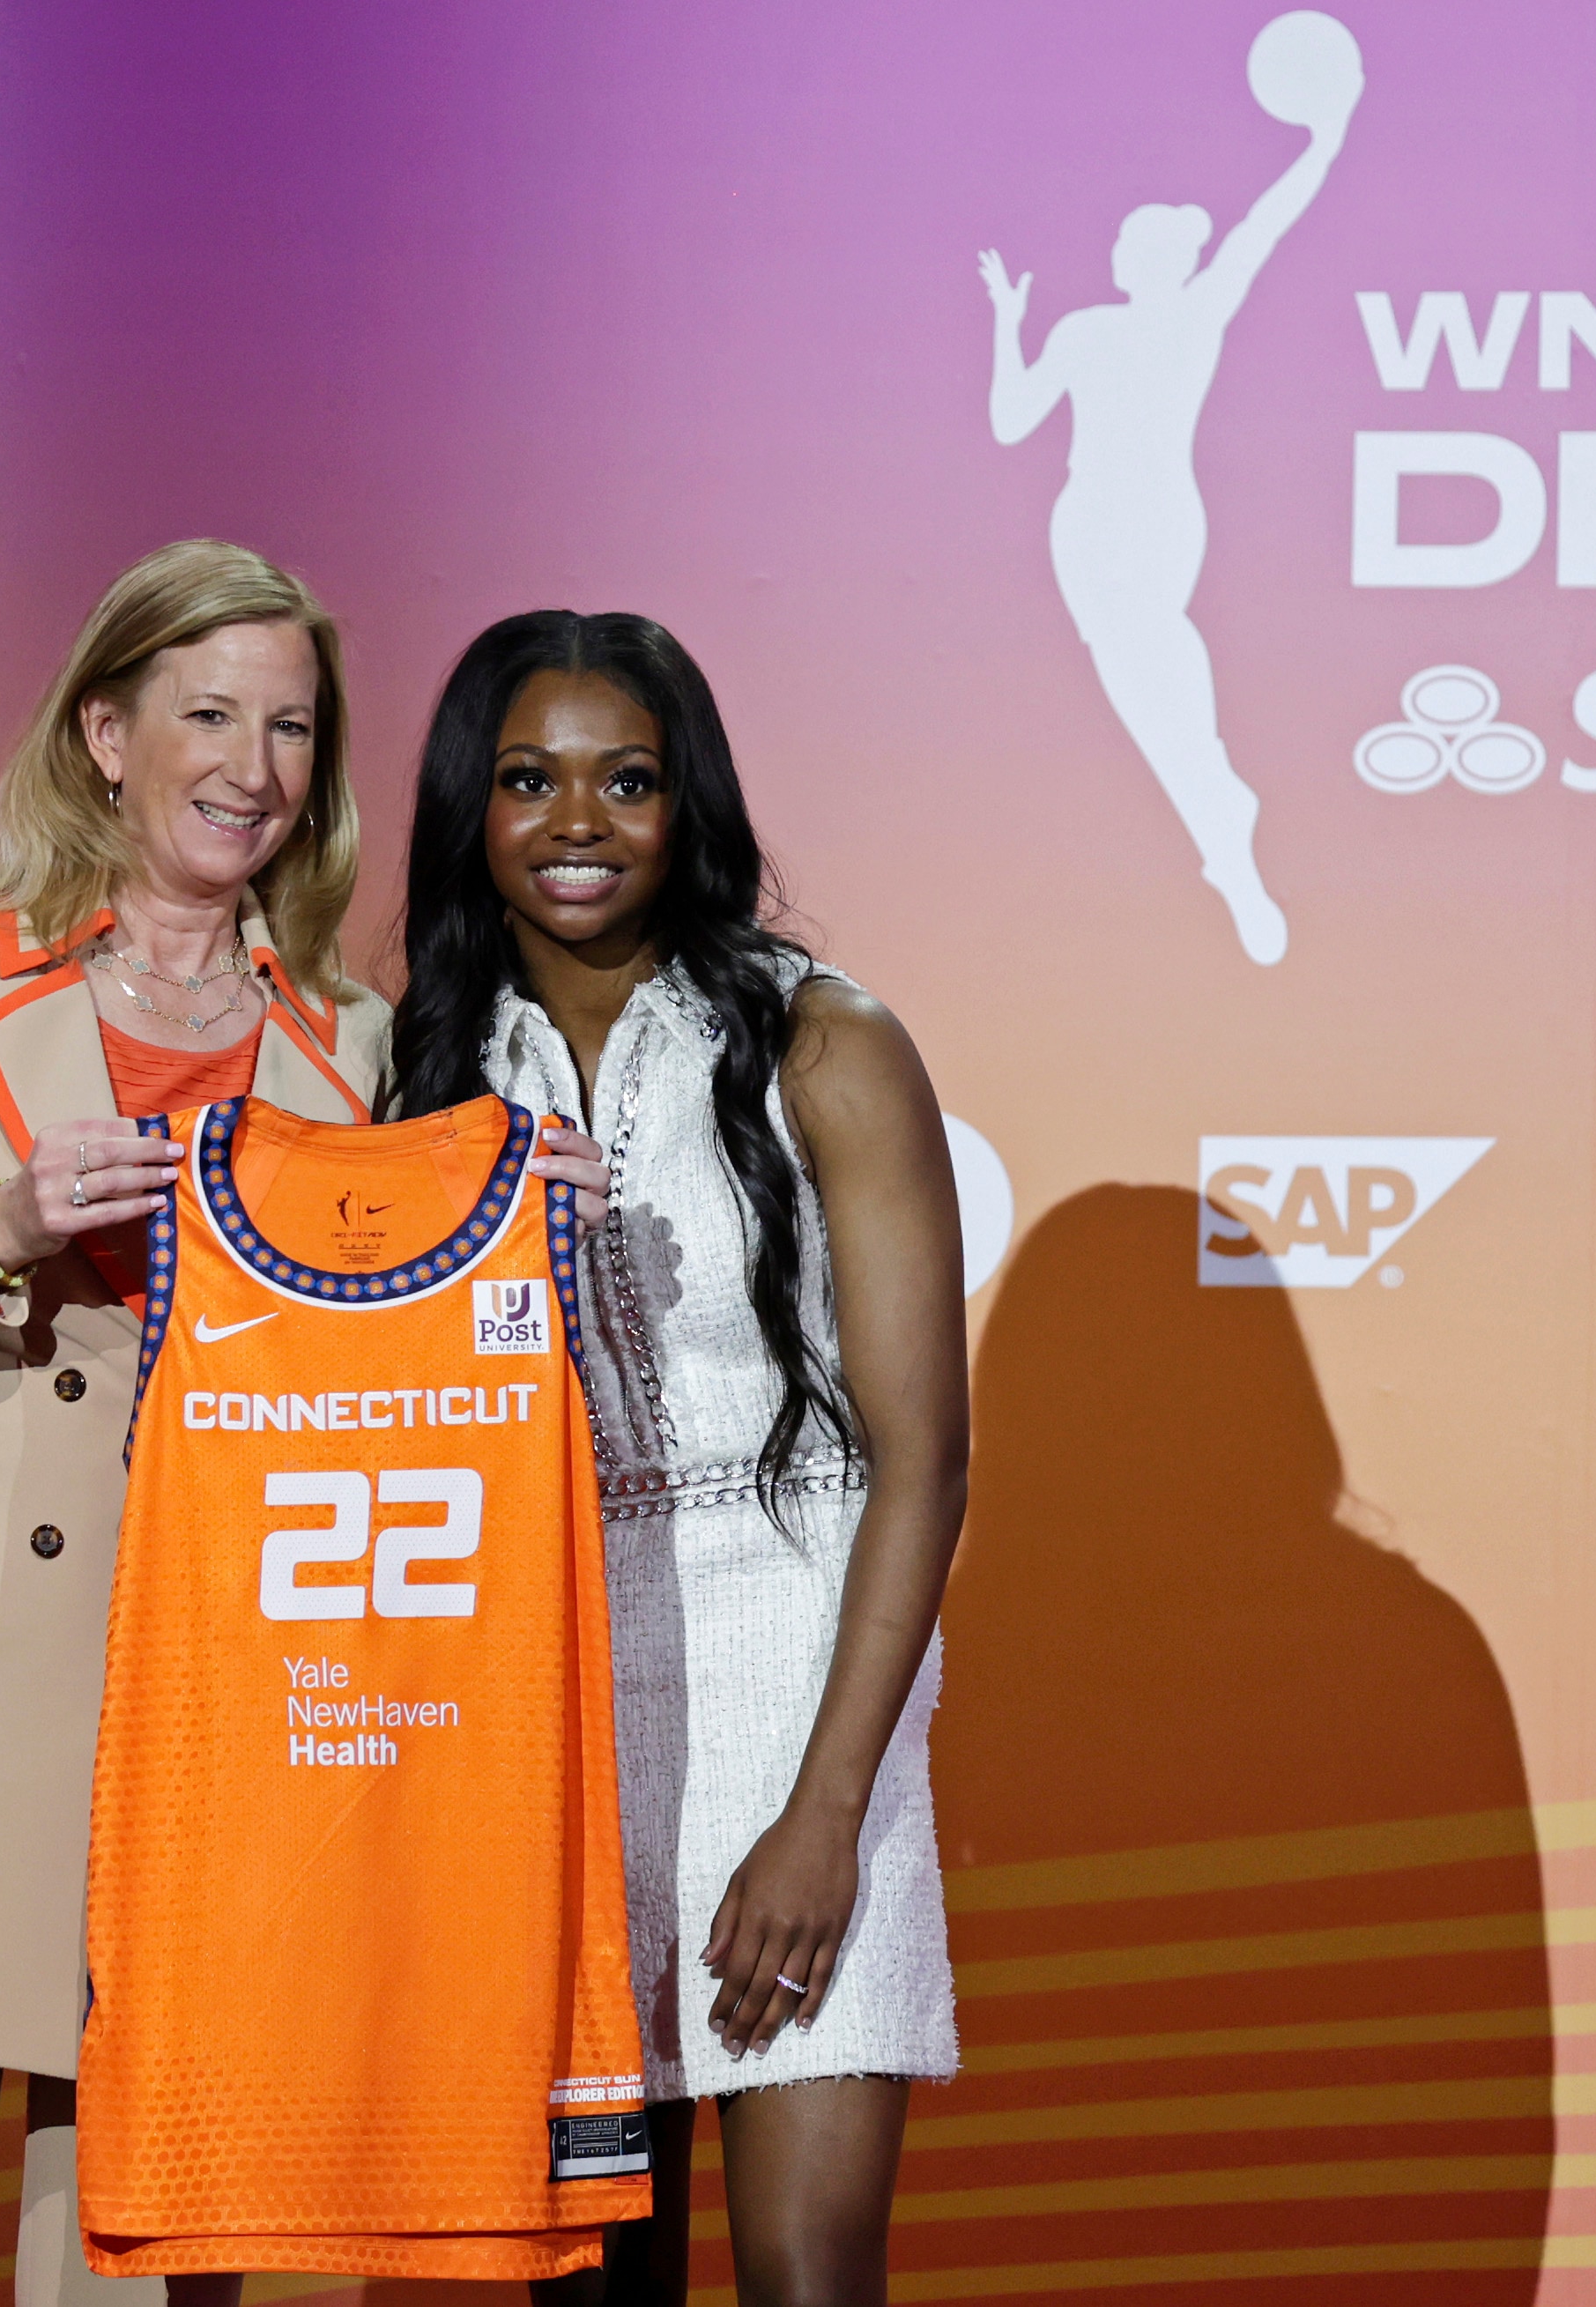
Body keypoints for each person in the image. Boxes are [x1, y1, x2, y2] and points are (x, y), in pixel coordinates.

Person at [0, 539, 605, 2306]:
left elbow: (391, 1391)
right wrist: (3, 1224)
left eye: (289, 728)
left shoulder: (354, 1044)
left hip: (204, 1769)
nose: (252, 768)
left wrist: (519, 1239)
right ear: (105, 730)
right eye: (209, 713)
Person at [392, 612, 969, 2307]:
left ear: (687, 802)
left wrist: (825, 1815)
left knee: (805, 2265)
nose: (578, 820)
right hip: (537, 1710)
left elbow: (922, 1460)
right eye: (528, 778)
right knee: (585, 2274)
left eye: (626, 779)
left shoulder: (824, 1041)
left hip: (800, 1679)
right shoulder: (408, 1067)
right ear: (468, 810)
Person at [976, 12, 1362, 967]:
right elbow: (1011, 421)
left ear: (1162, 261)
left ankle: (1226, 822)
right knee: (1151, 686)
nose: (1121, 255)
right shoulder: (1087, 329)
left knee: (1161, 681)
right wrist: (1007, 324)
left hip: (1151, 526)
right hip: (1092, 530)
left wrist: (1327, 144)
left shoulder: (1192, 316)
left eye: (1137, 245)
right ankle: (1226, 824)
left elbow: (1264, 227)